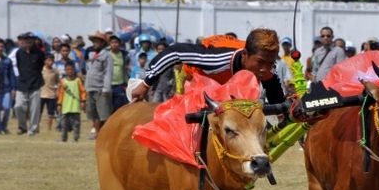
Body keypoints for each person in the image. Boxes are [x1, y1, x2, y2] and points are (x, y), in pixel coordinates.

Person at [131, 28, 286, 105]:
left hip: (227, 81)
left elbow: (277, 99)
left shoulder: (264, 66)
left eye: (271, 63)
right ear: (245, 54)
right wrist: (145, 84)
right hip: (195, 77)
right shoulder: (216, 60)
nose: (265, 69)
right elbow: (175, 52)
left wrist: (284, 112)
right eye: (260, 62)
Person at [15, 32, 45, 136]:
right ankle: (22, 126)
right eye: (26, 40)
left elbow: (41, 66)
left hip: (35, 83)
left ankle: (33, 129)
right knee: (18, 106)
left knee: (34, 109)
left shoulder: (39, 53)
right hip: (22, 83)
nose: (29, 42)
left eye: (31, 40)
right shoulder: (19, 52)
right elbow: (19, 66)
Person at [84, 31, 114, 137]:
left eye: (96, 41)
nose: (94, 43)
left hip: (101, 89)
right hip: (90, 88)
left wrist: (106, 88)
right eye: (93, 41)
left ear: (102, 43)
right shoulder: (92, 55)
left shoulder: (107, 56)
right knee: (94, 114)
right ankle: (97, 134)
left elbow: (108, 73)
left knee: (104, 115)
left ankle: (106, 135)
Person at [57, 61, 86, 142]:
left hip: (75, 106)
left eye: (71, 69)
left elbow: (83, 91)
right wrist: (59, 103)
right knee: (64, 124)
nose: (70, 71)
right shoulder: (63, 81)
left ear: (74, 70)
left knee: (76, 124)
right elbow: (60, 93)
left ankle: (75, 138)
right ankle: (63, 138)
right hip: (65, 106)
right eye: (68, 69)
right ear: (65, 70)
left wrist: (83, 101)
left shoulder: (78, 80)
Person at [0, 38, 15, 135]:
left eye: (2, 46)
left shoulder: (8, 60)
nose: (0, 48)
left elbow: (11, 75)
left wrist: (13, 88)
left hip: (6, 88)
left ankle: (4, 126)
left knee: (7, 108)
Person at [108, 34, 129, 112]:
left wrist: (126, 83)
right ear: (109, 44)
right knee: (109, 107)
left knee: (120, 107)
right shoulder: (107, 54)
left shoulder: (124, 54)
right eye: (112, 42)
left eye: (116, 42)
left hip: (120, 85)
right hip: (109, 85)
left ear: (119, 44)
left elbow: (126, 69)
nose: (114, 44)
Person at [40, 54, 59, 132]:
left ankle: (49, 129)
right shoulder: (41, 70)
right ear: (44, 61)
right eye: (48, 60)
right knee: (38, 112)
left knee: (51, 113)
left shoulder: (55, 71)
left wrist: (57, 91)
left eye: (52, 60)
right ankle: (36, 127)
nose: (50, 62)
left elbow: (58, 82)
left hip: (51, 94)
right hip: (41, 94)